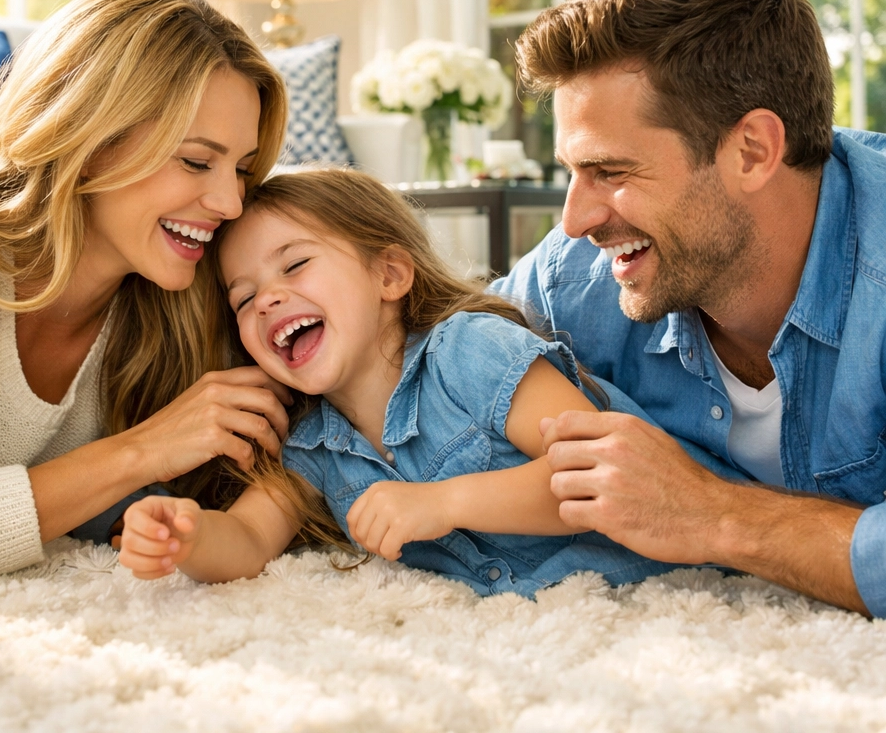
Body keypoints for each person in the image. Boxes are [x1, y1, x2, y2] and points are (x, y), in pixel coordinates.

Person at [117, 168, 738, 596]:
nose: (268, 299)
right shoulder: (313, 446)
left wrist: (442, 503)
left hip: (660, 582)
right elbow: (251, 539)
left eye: (297, 263)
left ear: (389, 275)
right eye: (244, 297)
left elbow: (599, 476)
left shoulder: (469, 350)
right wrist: (187, 535)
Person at [493, 0, 886, 616]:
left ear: (753, 150)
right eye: (572, 172)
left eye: (611, 172)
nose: (576, 219)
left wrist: (712, 515)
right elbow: (416, 349)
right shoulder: (574, 277)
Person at [0, 0, 293, 588]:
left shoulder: (180, 285)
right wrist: (142, 451)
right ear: (91, 138)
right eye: (196, 161)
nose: (228, 202)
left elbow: (323, 431)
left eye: (243, 170)